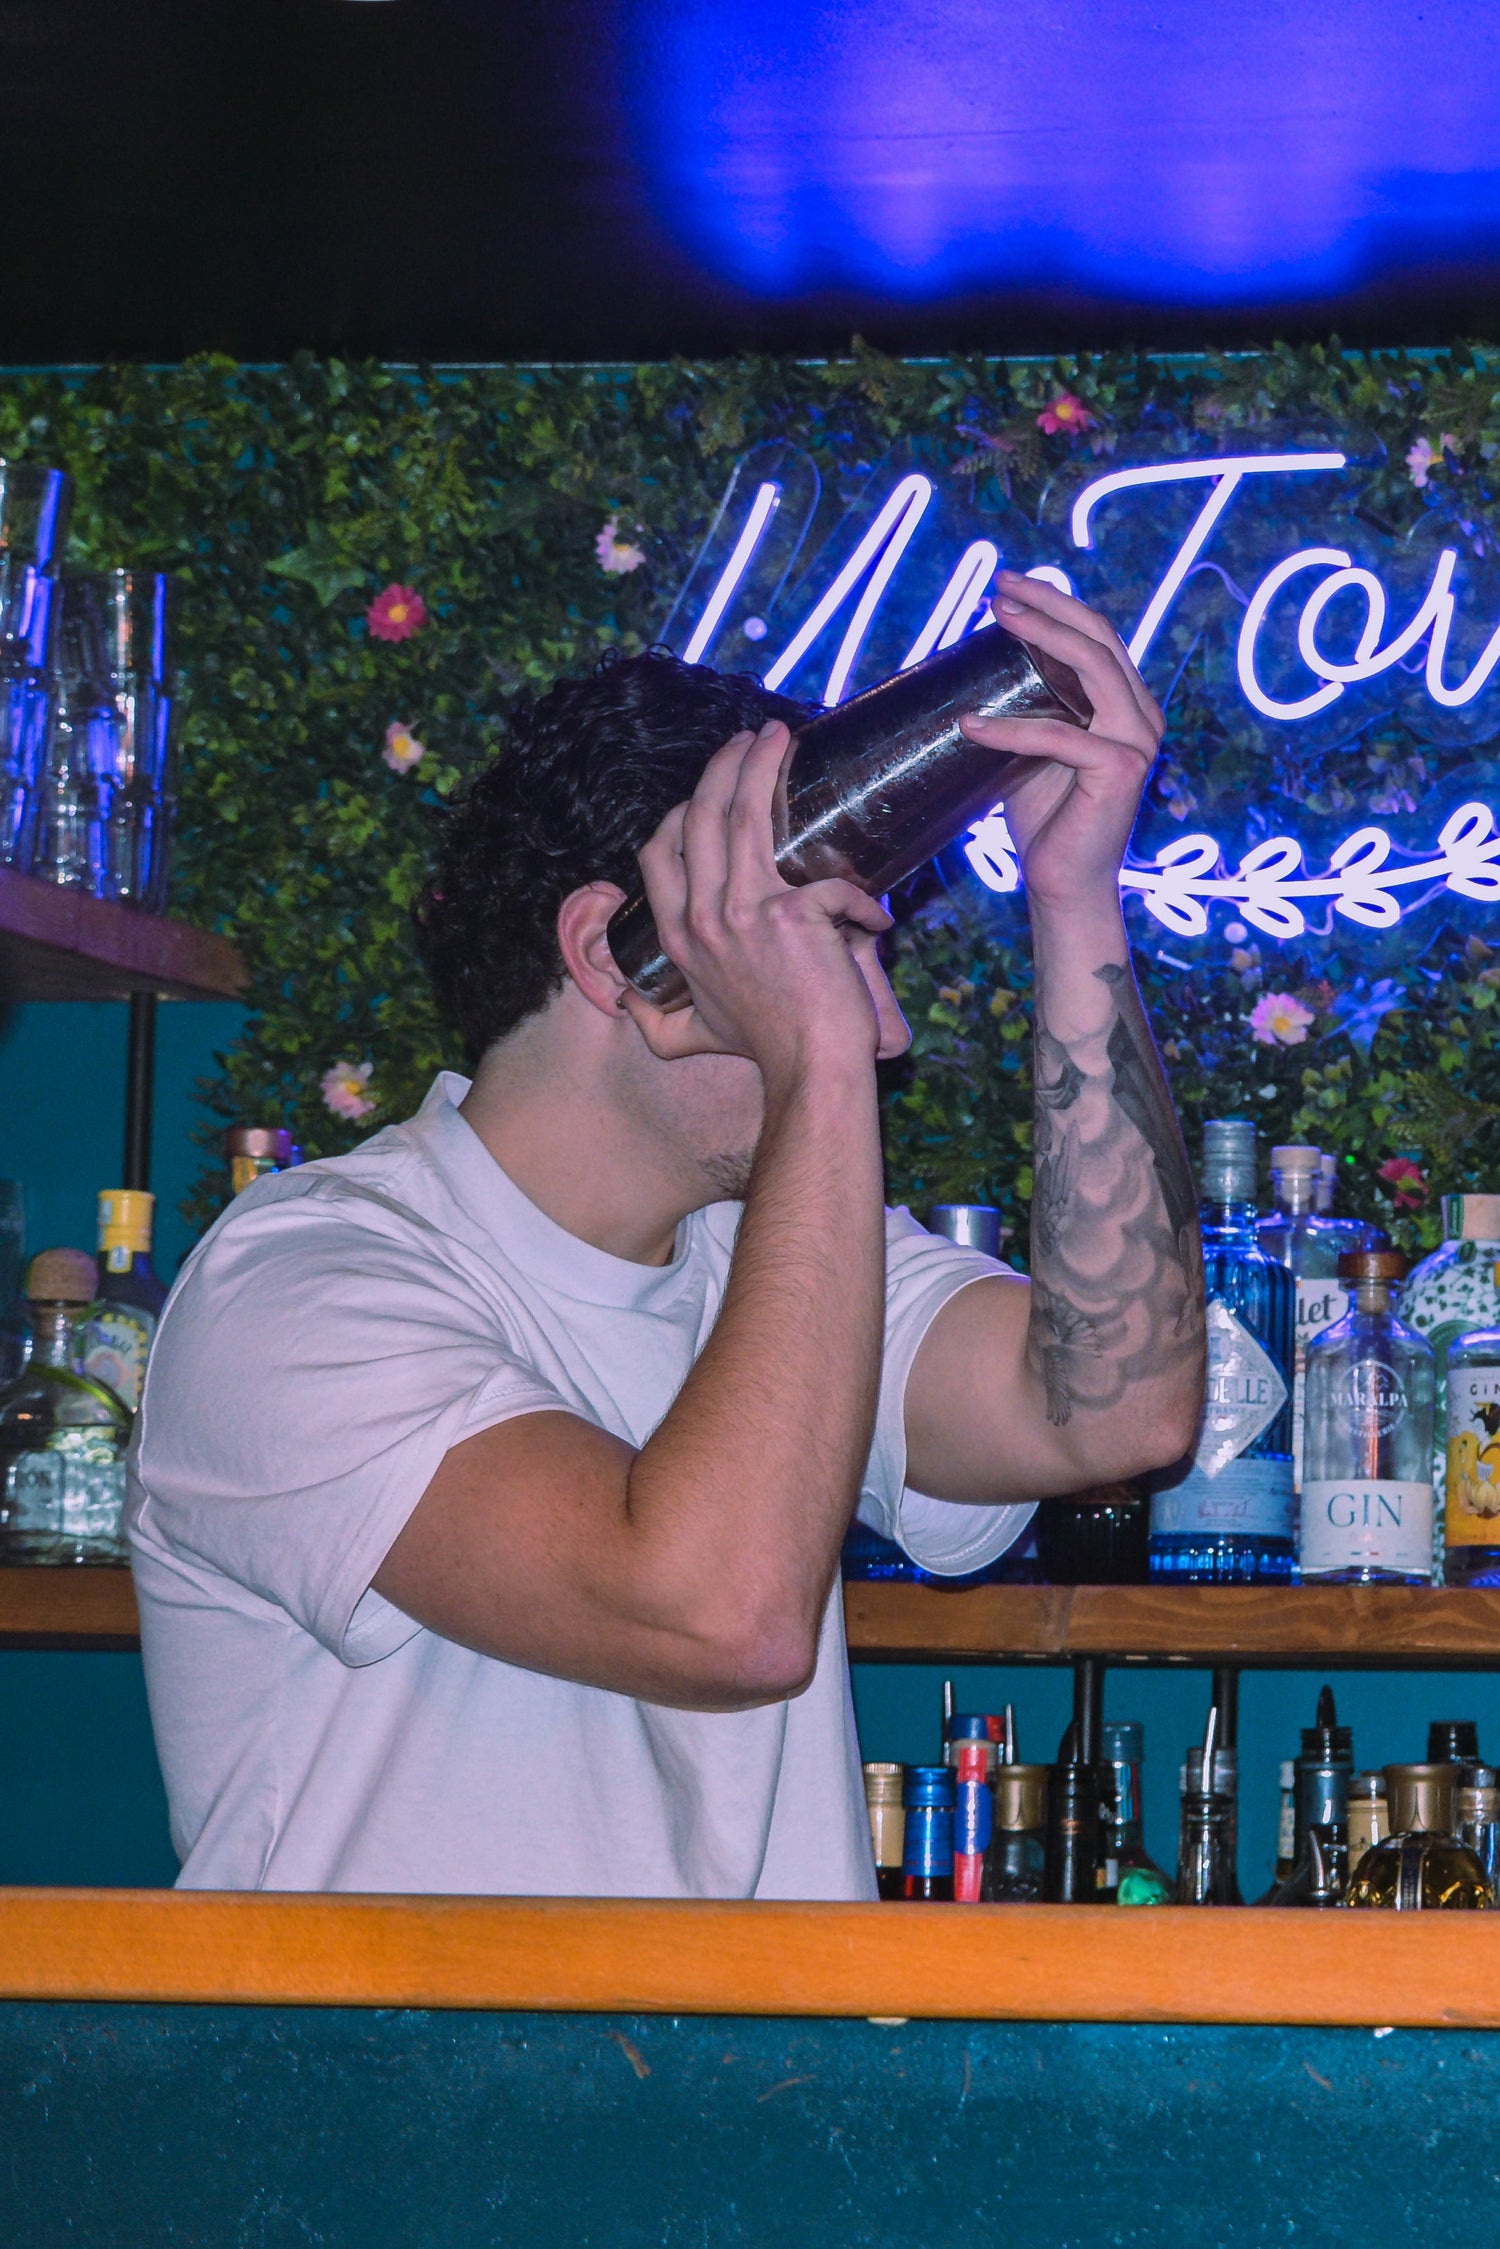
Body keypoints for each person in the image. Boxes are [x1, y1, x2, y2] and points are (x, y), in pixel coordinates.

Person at [128, 573, 1205, 1896]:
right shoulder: (299, 1283)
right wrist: (814, 1061)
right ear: (609, 954)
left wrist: (1076, 900)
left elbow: (1119, 1413)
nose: (884, 1027)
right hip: (407, 2103)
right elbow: (718, 1611)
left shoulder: (773, 1255)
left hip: (751, 2100)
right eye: (829, 947)